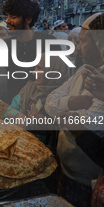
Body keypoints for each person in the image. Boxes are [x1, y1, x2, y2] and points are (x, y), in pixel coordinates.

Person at [44, 12, 104, 207]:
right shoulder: (82, 71)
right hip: (66, 171)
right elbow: (50, 102)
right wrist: (77, 102)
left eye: (83, 42)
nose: (77, 48)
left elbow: (90, 122)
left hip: (89, 182)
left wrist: (68, 114)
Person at [0, 0, 61, 100]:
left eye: (13, 17)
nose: (7, 21)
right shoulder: (5, 45)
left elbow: (57, 77)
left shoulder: (49, 42)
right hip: (13, 106)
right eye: (6, 17)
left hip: (42, 106)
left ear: (28, 19)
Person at [4, 54, 70, 129]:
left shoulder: (64, 98)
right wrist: (18, 115)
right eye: (35, 67)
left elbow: (61, 131)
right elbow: (9, 109)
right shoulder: (30, 87)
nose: (34, 72)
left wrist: (41, 122)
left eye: (39, 68)